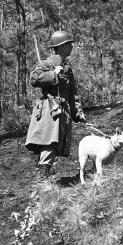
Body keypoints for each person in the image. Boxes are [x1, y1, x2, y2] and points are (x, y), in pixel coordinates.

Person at [25, 29, 87, 176]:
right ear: (62, 46)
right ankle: (42, 180)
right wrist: (53, 74)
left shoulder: (67, 68)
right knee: (49, 142)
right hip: (49, 110)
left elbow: (72, 94)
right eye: (69, 44)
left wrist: (77, 113)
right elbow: (34, 79)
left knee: (55, 143)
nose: (72, 46)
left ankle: (43, 176)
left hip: (62, 111)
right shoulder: (48, 63)